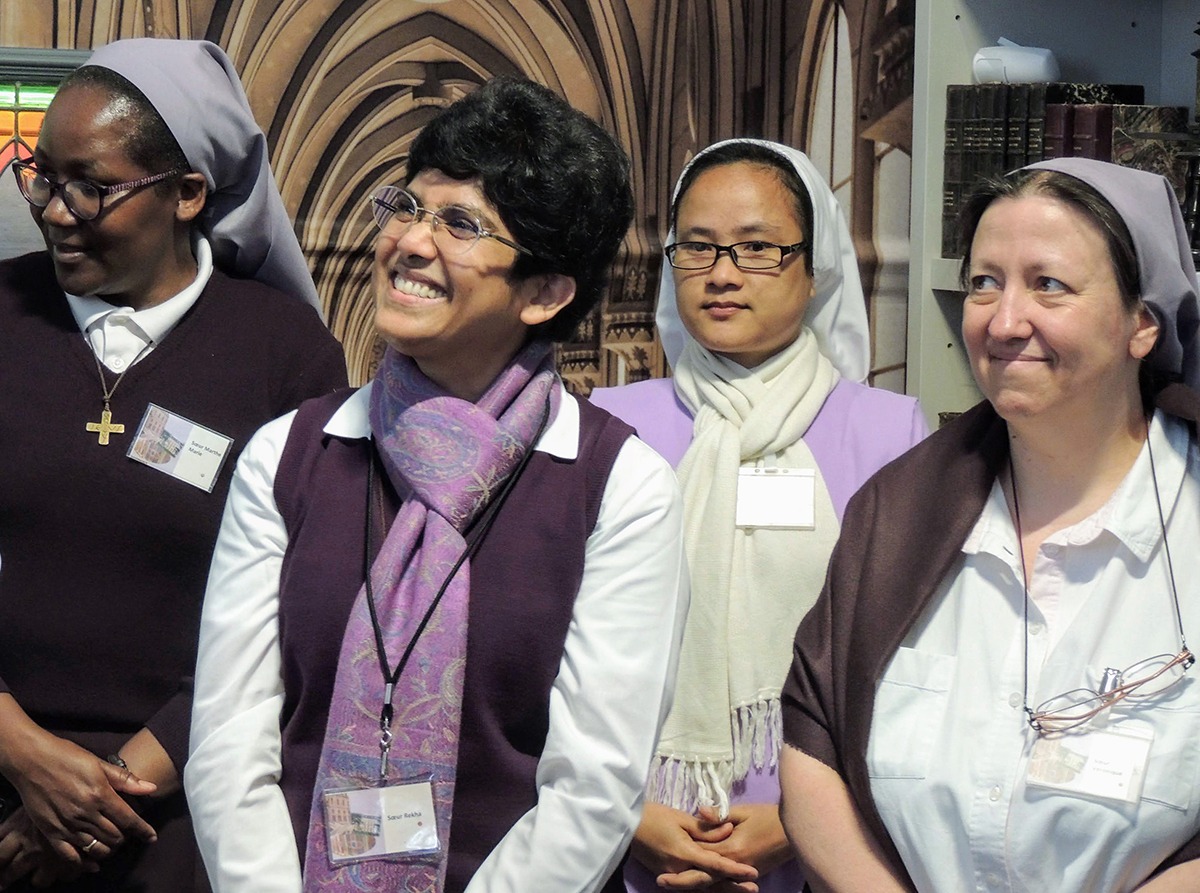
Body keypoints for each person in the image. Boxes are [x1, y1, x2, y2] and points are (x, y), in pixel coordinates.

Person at [185, 76, 688, 893]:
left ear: (546, 291)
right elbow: (228, 740)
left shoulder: (616, 487)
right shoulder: (291, 454)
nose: (411, 242)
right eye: (408, 207)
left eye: (461, 224)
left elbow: (593, 787)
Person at [778, 157, 1200, 892]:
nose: (1005, 321)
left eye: (1049, 284)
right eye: (983, 282)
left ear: (1142, 324)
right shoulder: (897, 509)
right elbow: (812, 731)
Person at [0, 38, 348, 892]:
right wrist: (22, 755)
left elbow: (303, 609)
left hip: (185, 801)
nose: (52, 208)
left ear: (189, 192)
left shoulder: (286, 355)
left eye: (91, 184)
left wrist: (111, 787)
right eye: (40, 175)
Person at [590, 138, 927, 893]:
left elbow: (914, 664)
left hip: (824, 839)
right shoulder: (606, 426)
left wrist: (803, 814)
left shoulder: (889, 433)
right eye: (699, 247)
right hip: (635, 837)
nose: (724, 273)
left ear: (815, 269)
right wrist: (626, 811)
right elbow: (557, 645)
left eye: (758, 248)